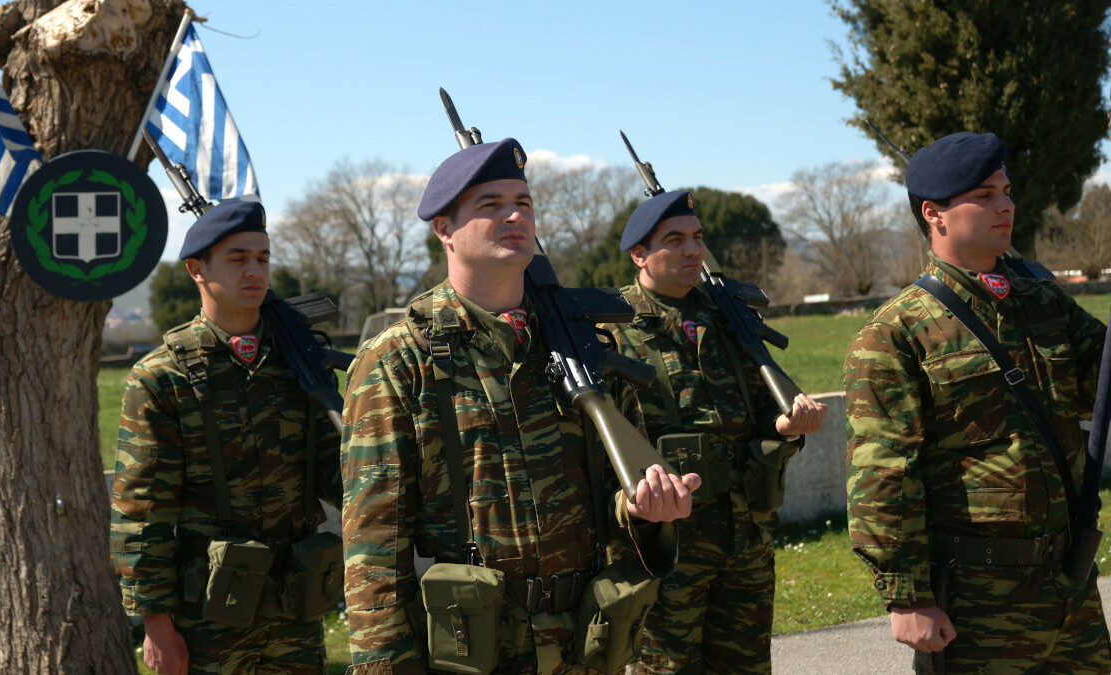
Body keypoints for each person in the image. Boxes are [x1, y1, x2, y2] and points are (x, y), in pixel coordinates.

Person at [339, 138, 700, 674]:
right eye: (490, 204)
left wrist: (646, 512)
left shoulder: (583, 345)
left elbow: (613, 496)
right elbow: (374, 549)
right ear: (444, 229)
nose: (515, 215)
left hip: (584, 644)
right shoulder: (399, 360)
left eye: (524, 202)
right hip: (471, 650)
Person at [843, 131, 1110, 672]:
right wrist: (908, 596)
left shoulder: (1042, 299)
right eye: (985, 196)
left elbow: (1102, 378)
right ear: (934, 214)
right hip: (975, 600)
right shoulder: (895, 334)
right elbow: (884, 474)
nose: (1006, 204)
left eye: (1006, 191)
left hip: (1068, 584)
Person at [111, 199, 343, 674]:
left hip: (297, 600)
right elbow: (143, 511)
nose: (254, 271)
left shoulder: (296, 365)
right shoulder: (162, 377)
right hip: (206, 612)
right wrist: (156, 625)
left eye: (262, 258)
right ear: (197, 269)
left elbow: (334, 471)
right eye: (237, 259)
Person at [603, 190, 826, 674]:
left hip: (744, 538)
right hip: (665, 551)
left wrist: (787, 427)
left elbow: (767, 415)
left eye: (698, 238)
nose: (691, 250)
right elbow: (596, 448)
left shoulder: (729, 319)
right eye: (675, 239)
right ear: (639, 253)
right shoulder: (611, 331)